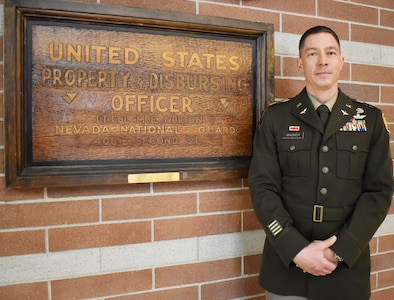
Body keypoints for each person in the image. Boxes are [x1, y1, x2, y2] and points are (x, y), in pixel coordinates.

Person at [248, 25, 393, 300]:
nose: (322, 60)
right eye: (312, 53)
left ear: (341, 62)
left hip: (346, 272)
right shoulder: (276, 119)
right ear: (300, 63)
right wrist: (296, 250)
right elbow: (262, 187)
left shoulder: (370, 121)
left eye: (330, 52)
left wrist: (341, 250)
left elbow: (379, 192)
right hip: (287, 269)